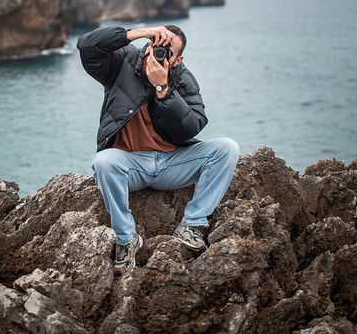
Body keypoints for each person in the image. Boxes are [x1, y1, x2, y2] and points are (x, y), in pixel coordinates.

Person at [77, 25, 239, 272]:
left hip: (172, 165)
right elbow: (87, 46)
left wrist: (163, 89)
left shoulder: (182, 79)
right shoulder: (123, 61)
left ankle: (192, 224)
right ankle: (126, 239)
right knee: (103, 161)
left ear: (177, 60)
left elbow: (192, 126)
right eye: (156, 45)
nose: (159, 53)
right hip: (131, 165)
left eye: (167, 51)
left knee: (227, 148)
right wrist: (140, 32)